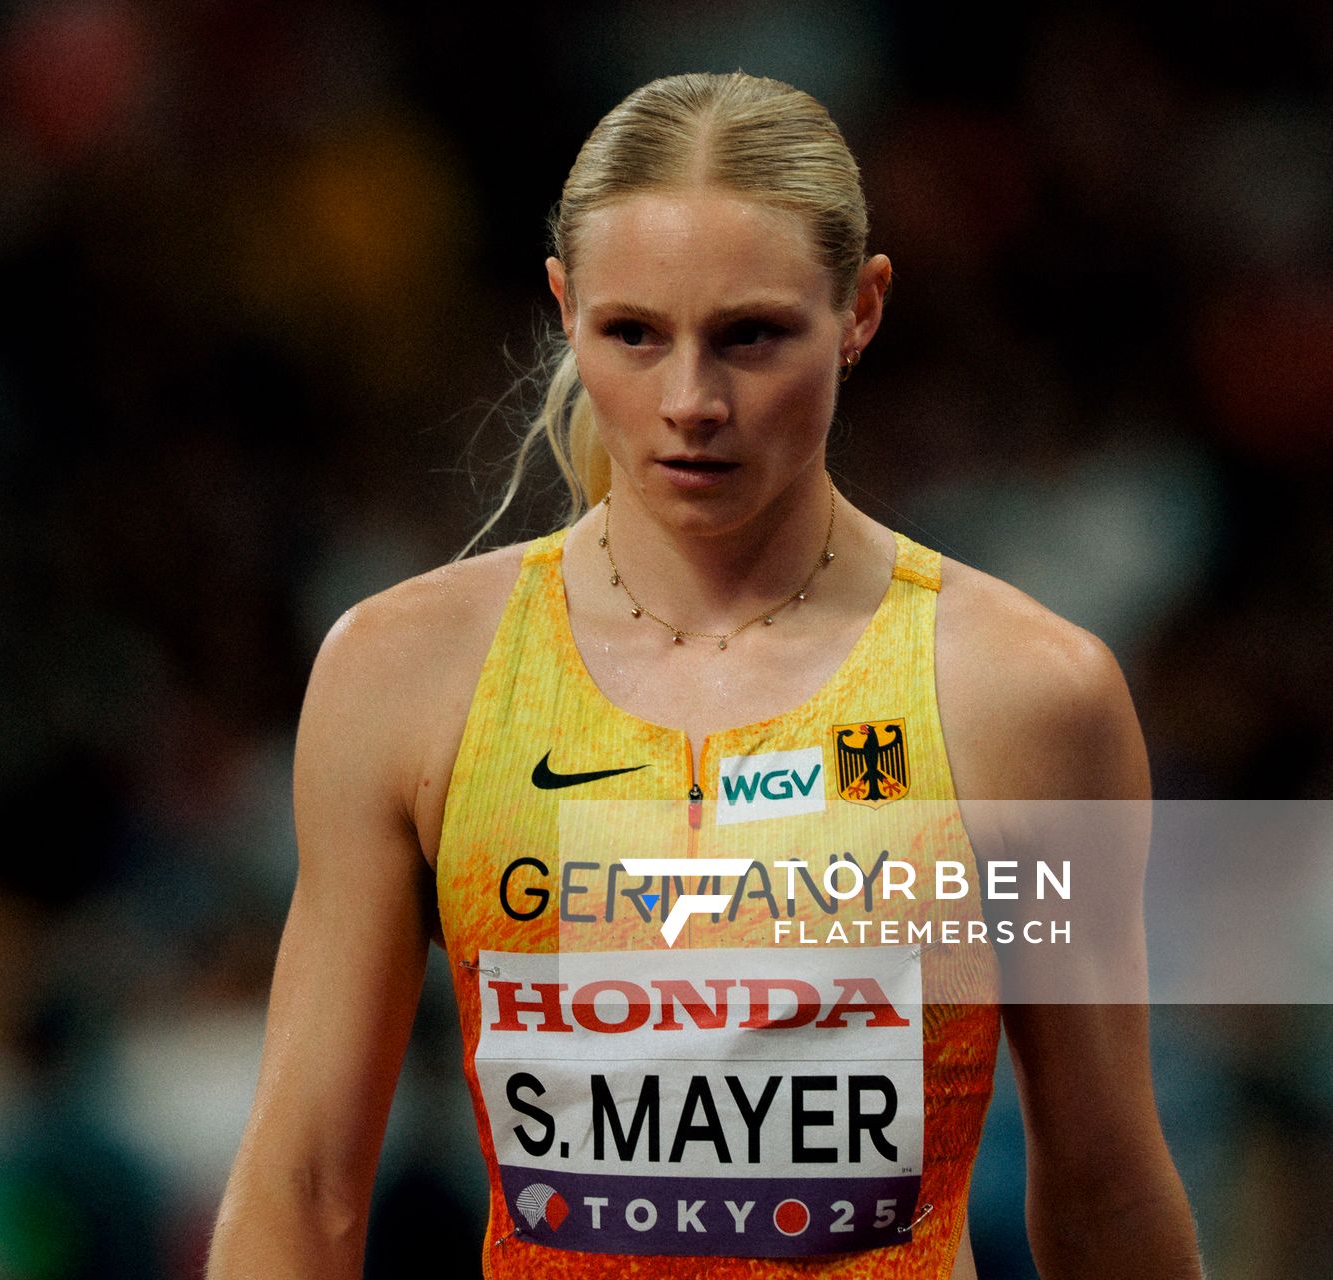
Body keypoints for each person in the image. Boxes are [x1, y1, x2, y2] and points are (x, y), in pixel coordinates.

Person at [207, 72, 1201, 1279]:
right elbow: (303, 1186)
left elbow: (1104, 1194)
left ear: (862, 309)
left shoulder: (1025, 697)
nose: (691, 403)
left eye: (752, 336)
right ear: (563, 307)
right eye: (633, 333)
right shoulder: (405, 675)